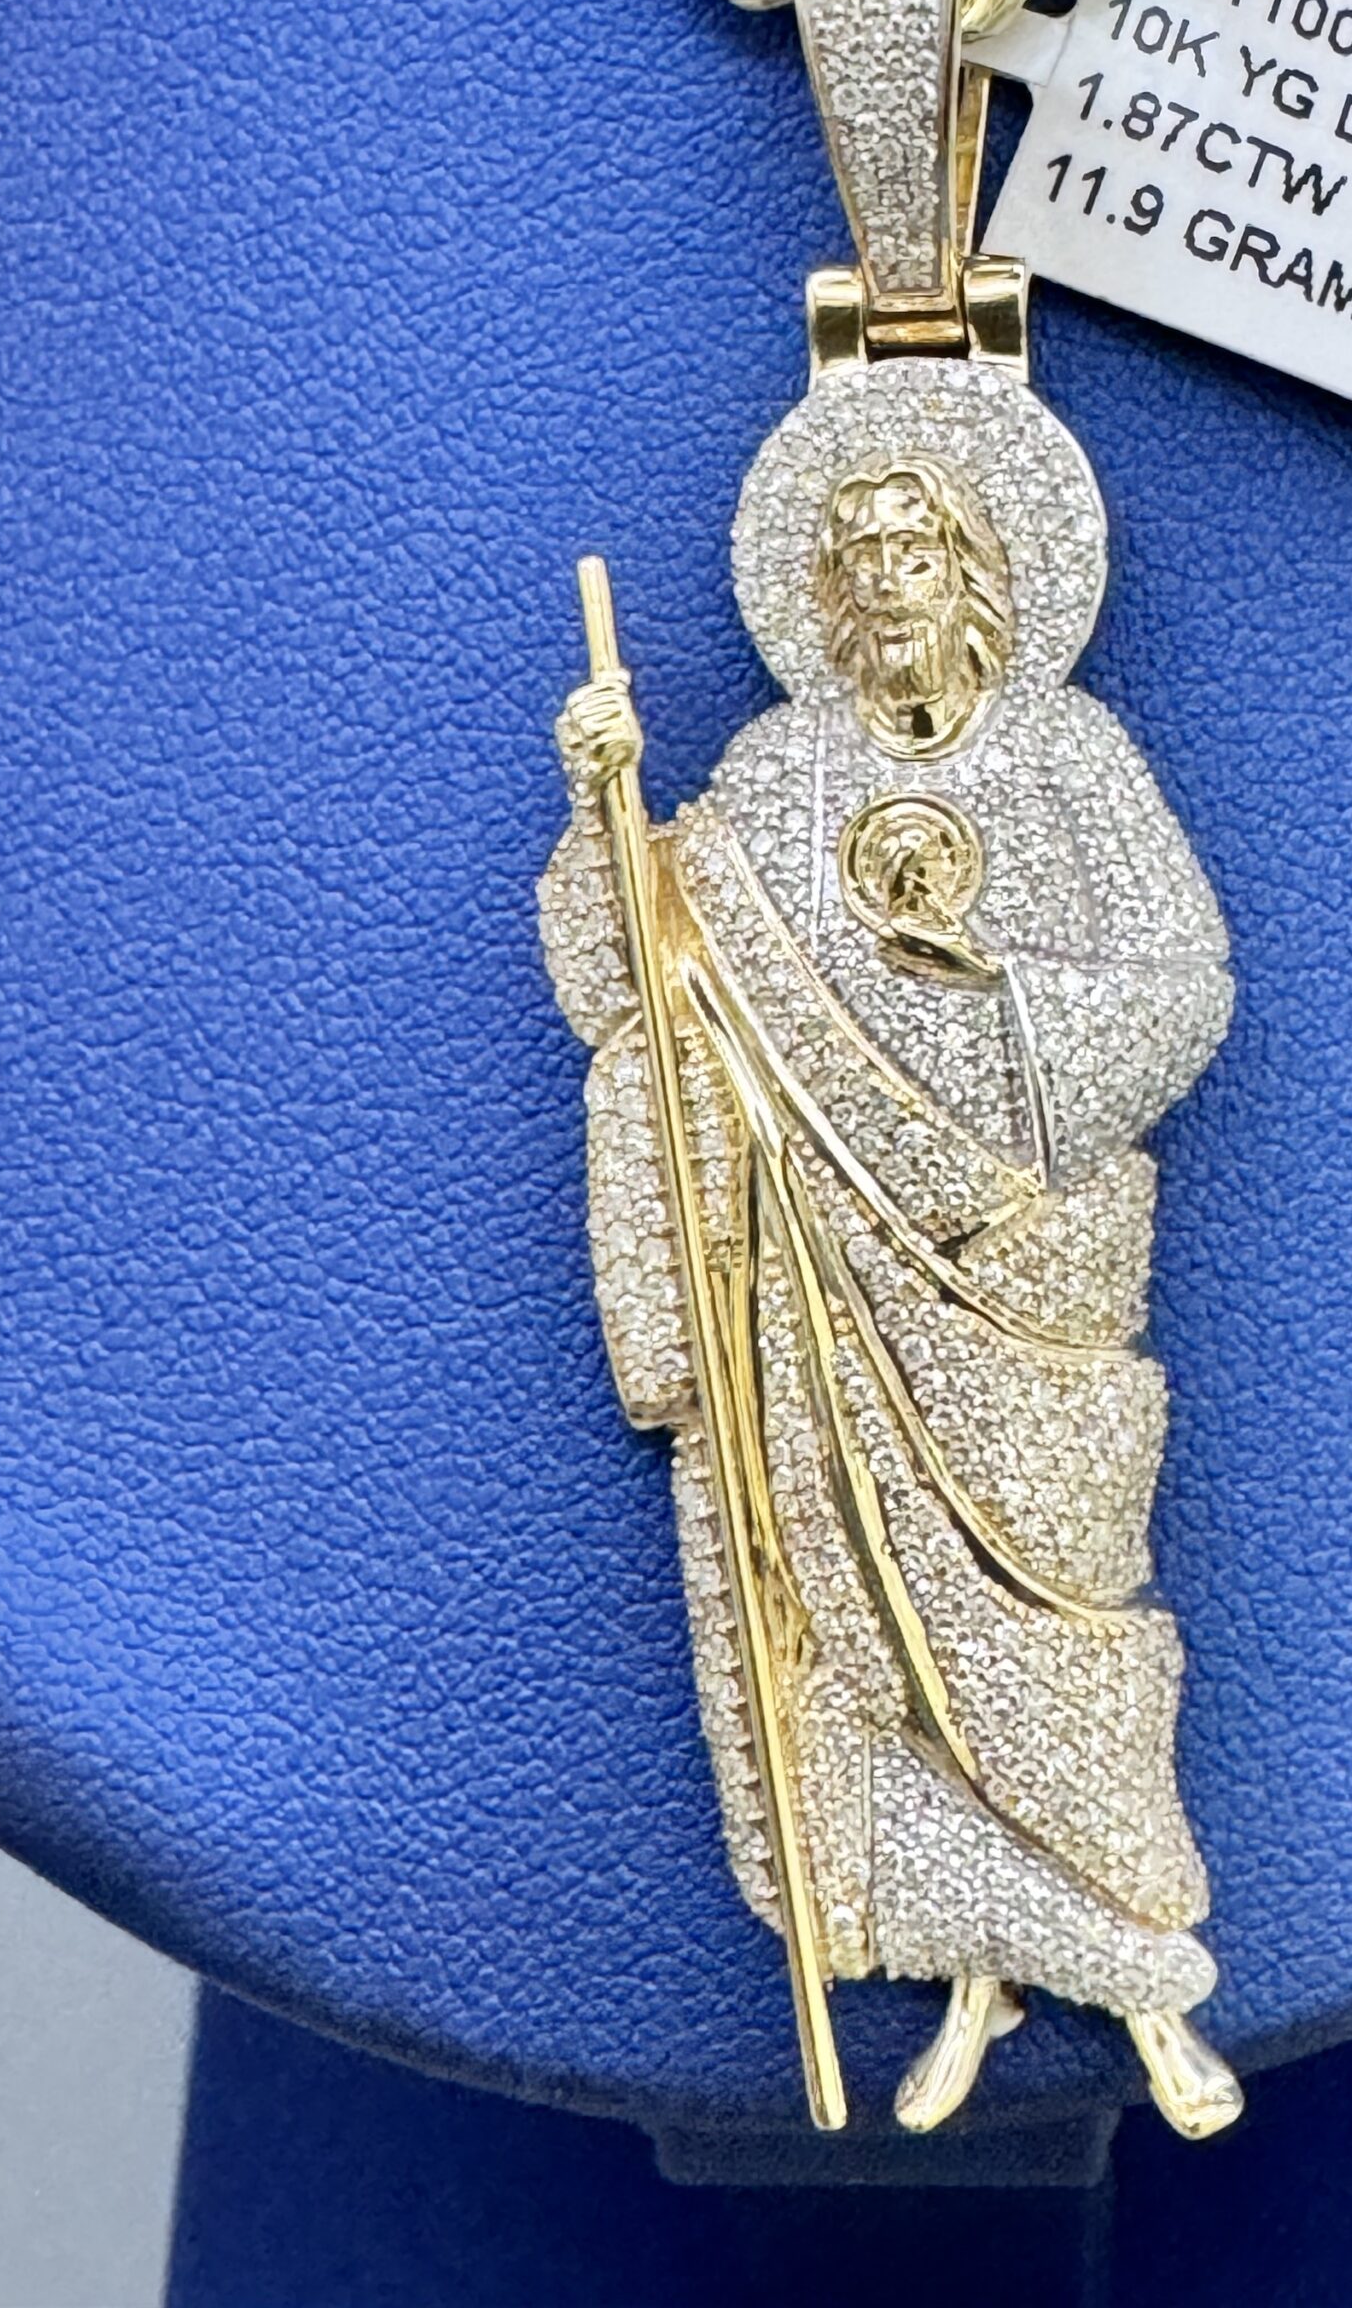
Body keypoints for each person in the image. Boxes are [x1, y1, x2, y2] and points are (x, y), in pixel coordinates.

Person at [540, 448, 1242, 2136]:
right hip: (828, 1284)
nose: (885, 585)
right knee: (864, 1635)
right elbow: (635, 986)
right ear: (825, 604)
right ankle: (973, 1977)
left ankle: (1149, 1982)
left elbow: (1187, 982)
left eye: (915, 552)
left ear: (978, 575)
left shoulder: (1071, 758)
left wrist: (996, 994)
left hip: (1026, 1264)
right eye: (854, 563)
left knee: (1062, 1628)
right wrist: (601, 808)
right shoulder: (777, 776)